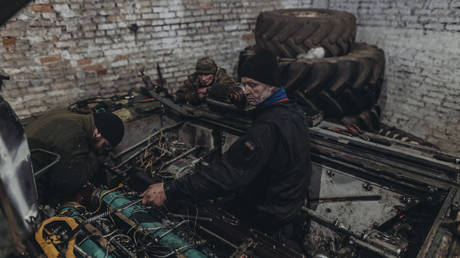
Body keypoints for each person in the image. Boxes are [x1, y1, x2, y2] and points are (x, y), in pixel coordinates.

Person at [142, 49, 312, 250]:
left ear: (272, 86)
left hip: (268, 217)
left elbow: (228, 174)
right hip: (285, 208)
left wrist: (171, 190)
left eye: (253, 85)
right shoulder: (293, 112)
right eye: (244, 83)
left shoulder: (267, 127)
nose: (245, 90)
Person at [26, 109, 125, 203]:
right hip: (27, 186)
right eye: (105, 146)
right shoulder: (75, 135)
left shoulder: (74, 119)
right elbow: (69, 182)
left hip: (24, 165)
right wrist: (95, 160)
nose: (102, 151)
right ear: (97, 133)